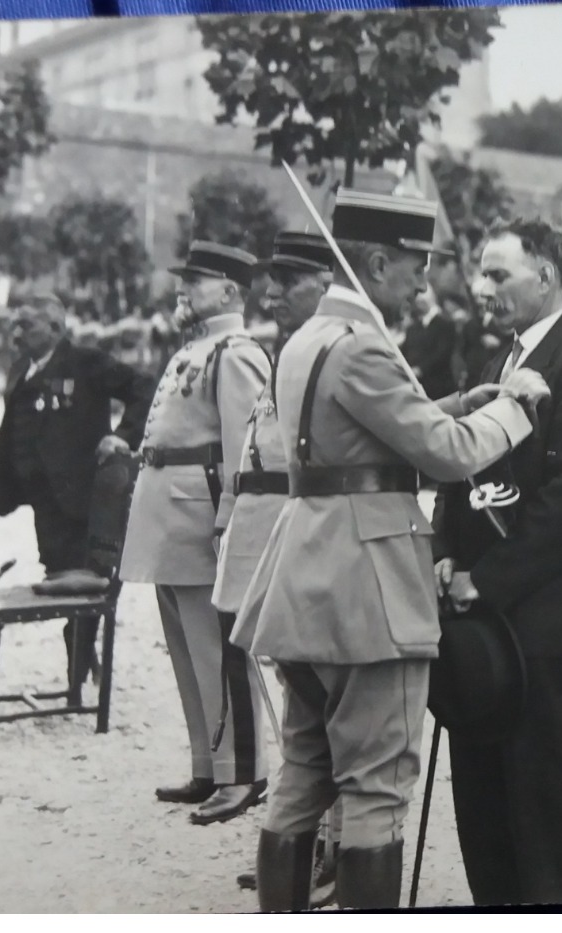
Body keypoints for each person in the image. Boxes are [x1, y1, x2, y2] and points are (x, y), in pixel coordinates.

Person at [231, 189, 548, 911]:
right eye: (413, 266)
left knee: (304, 769)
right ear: (374, 261)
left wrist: (465, 399)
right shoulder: (363, 345)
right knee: (376, 782)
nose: (421, 280)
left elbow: (366, 437)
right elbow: (444, 456)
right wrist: (515, 406)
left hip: (304, 579)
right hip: (364, 593)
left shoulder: (308, 337)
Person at [431, 217, 562, 906]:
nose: (482, 289)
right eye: (481, 274)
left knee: (547, 810)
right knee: (483, 809)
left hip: (545, 626)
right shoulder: (495, 366)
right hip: (478, 624)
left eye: (498, 274)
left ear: (545, 276)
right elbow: (458, 474)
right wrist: (444, 553)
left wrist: (482, 580)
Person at [119, 241, 273, 826]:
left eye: (196, 281)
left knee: (220, 651)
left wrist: (232, 516)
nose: (182, 289)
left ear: (231, 291)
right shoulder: (198, 347)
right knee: (187, 650)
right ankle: (210, 764)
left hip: (202, 513)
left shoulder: (236, 353)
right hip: (170, 514)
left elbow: (245, 447)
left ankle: (244, 774)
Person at [212, 232, 345, 906]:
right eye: (272, 280)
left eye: (289, 279)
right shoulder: (285, 353)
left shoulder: (340, 347)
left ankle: (331, 849)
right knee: (295, 707)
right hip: (266, 540)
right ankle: (298, 849)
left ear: (325, 280)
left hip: (307, 546)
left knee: (324, 711)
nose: (270, 294)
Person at [0, 291, 154, 686]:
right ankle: (83, 659)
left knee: (87, 586)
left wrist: (123, 436)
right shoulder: (20, 370)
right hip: (43, 500)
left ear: (55, 327)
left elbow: (143, 386)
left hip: (87, 498)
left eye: (25, 325)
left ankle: (77, 677)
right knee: (59, 578)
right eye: (15, 324)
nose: (16, 333)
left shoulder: (86, 363)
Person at [402, 287, 459, 400]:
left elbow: (443, 353)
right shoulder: (413, 328)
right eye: (417, 302)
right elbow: (406, 351)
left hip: (440, 383)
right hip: (418, 384)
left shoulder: (445, 323)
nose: (419, 305)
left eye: (422, 301)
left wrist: (421, 369)